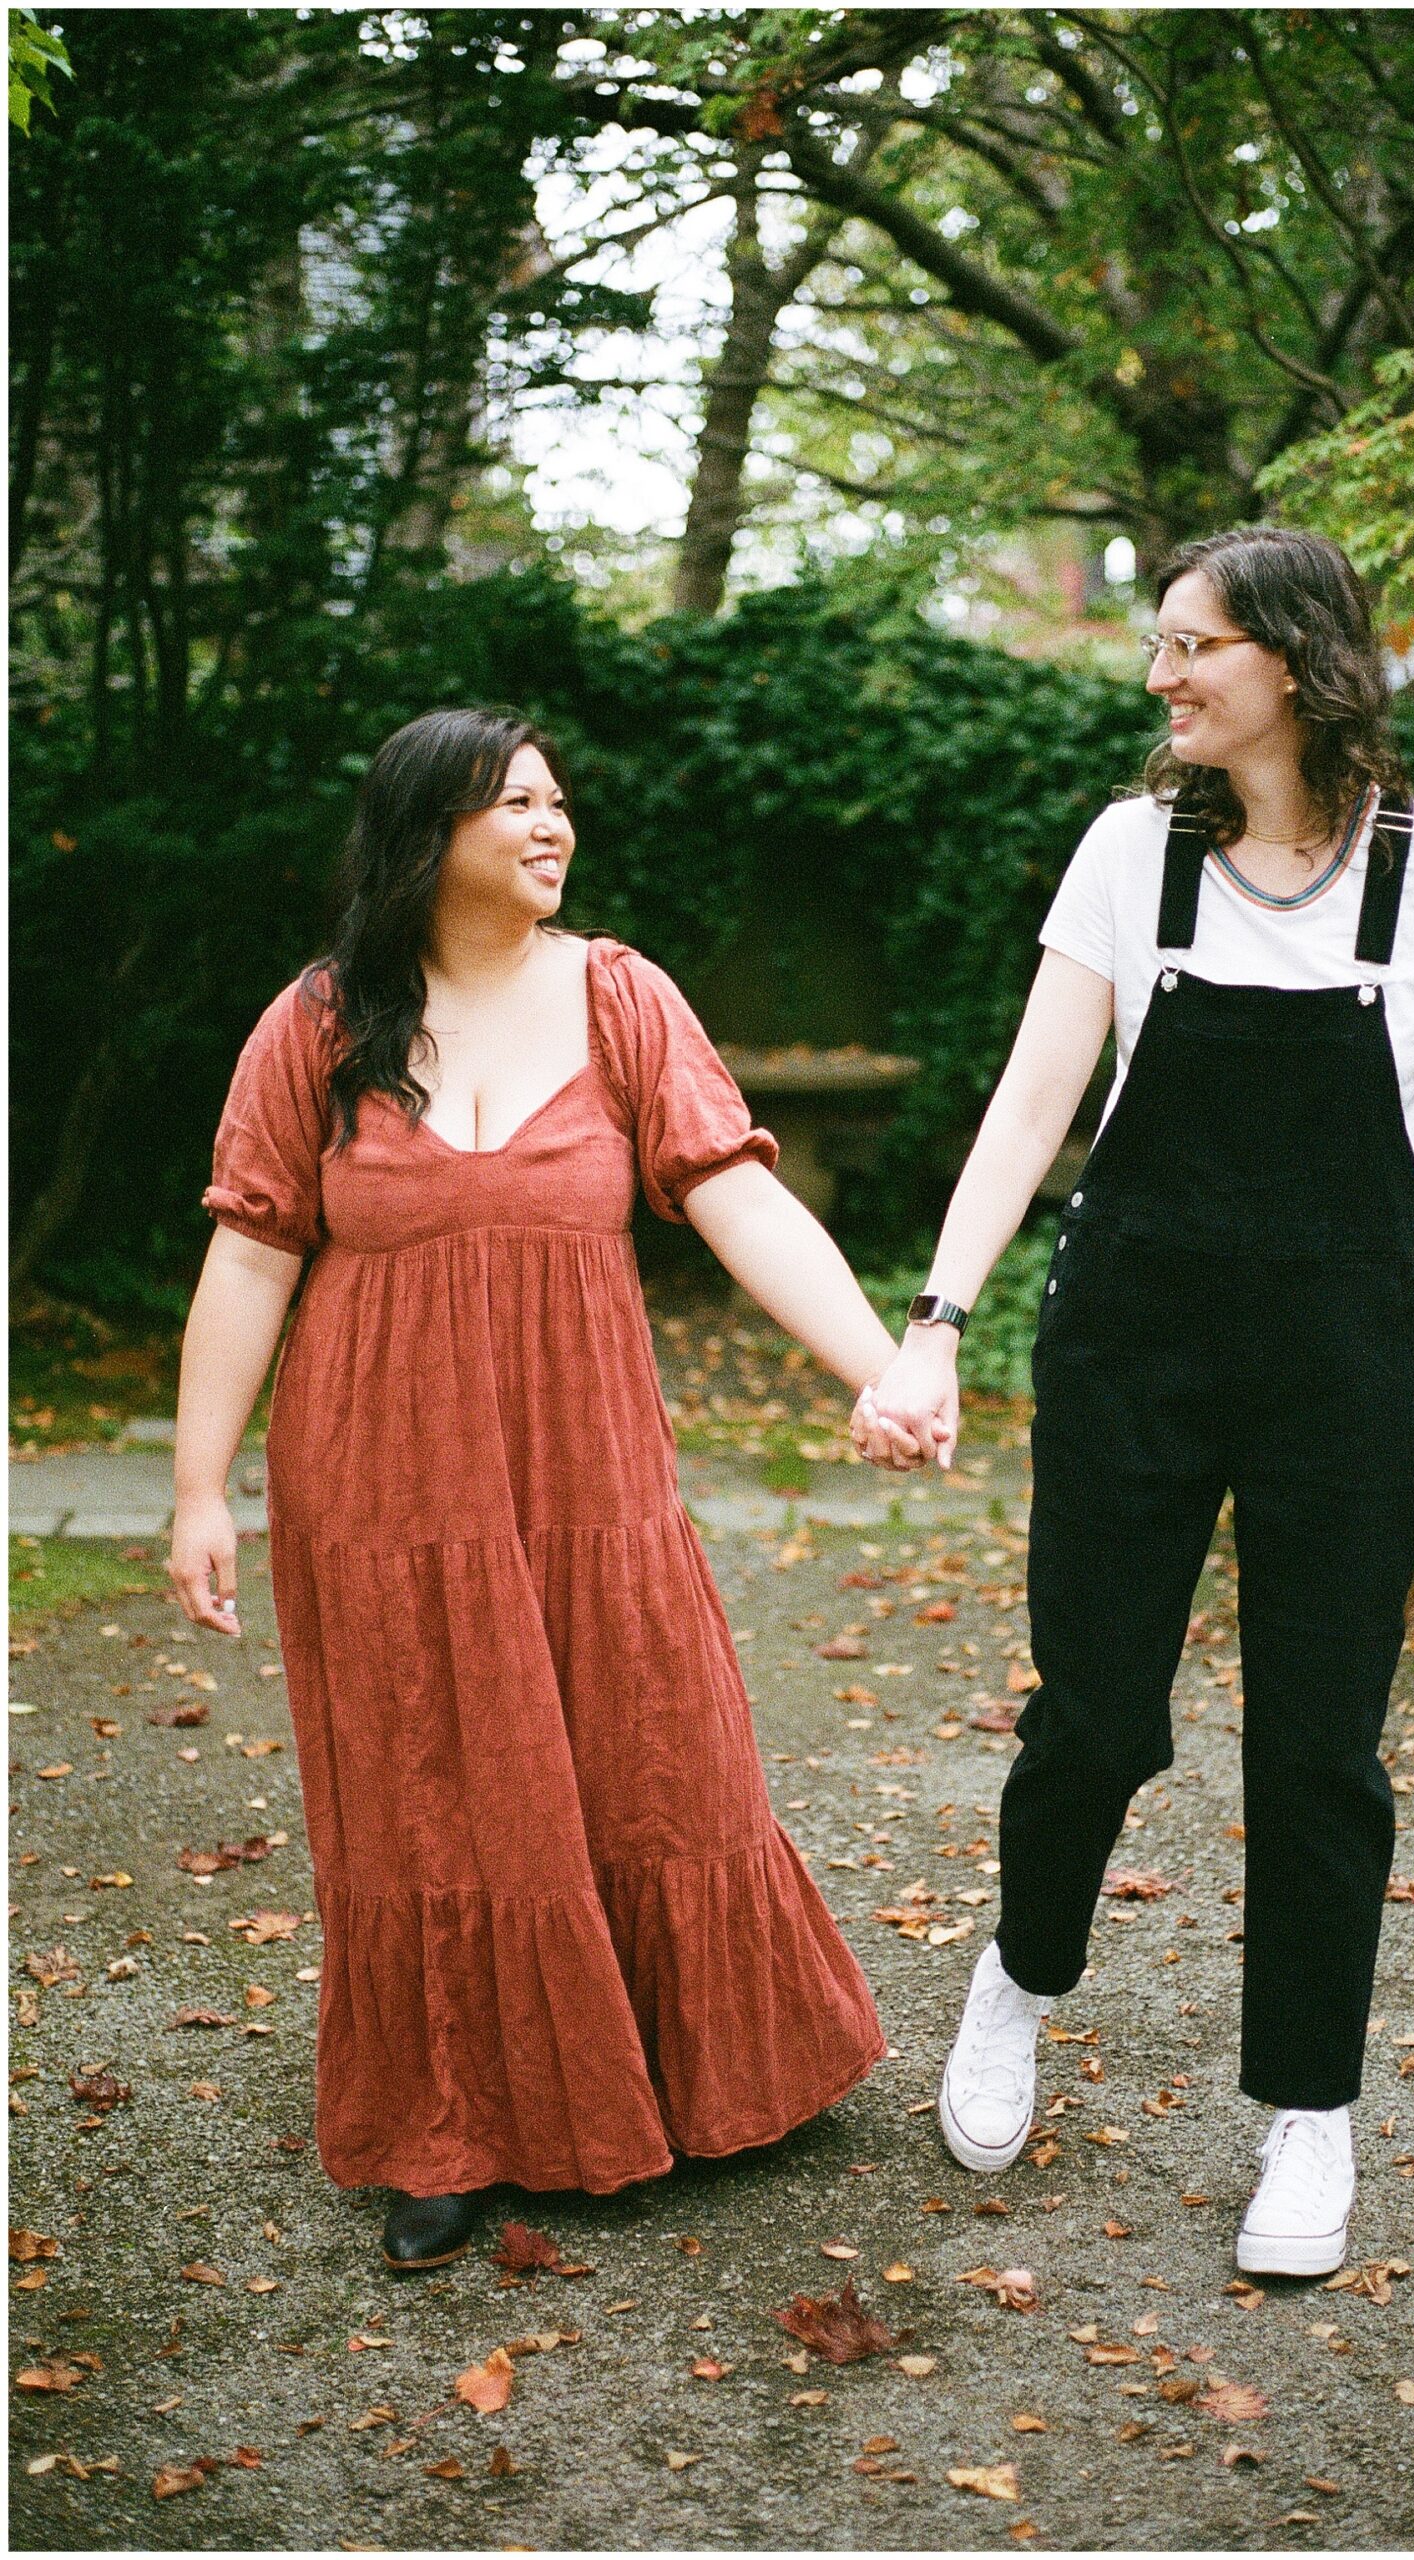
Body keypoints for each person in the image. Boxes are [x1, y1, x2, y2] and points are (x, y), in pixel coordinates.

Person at [852, 526, 1414, 2279]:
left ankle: (1310, 2112)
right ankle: (1019, 1975)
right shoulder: (1128, 857)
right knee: (1096, 1711)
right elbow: (1029, 1105)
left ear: (1294, 664)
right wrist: (932, 1323)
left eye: (1190, 646)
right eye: (1158, 647)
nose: (1161, 677)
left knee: (1319, 1750)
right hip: (1130, 1347)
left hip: (1349, 1366)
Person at [170, 705, 909, 2272]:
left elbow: (736, 1194)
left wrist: (880, 1365)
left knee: (651, 1741)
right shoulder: (317, 1023)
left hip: (588, 1467)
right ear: (429, 830)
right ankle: (443, 2128)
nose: (551, 824)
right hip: (383, 1483)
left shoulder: (623, 995)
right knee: (430, 1789)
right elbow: (250, 1250)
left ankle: (699, 2075)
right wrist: (195, 1492)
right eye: (514, 803)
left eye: (559, 800)